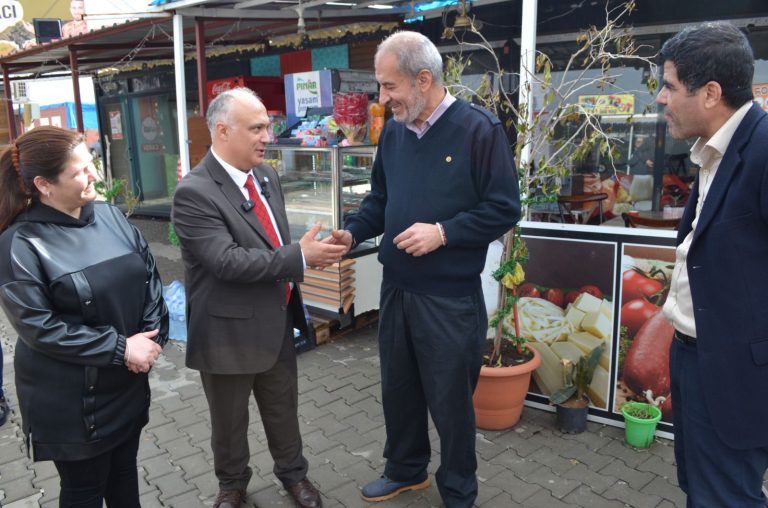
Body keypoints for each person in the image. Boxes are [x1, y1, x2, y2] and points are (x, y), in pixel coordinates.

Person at [329, 31, 520, 507]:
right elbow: (380, 198)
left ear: (423, 79)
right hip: (397, 288)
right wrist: (352, 232)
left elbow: (504, 208)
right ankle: (406, 470)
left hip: (449, 298)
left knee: (451, 402)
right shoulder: (393, 130)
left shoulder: (479, 130)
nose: (382, 98)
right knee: (399, 389)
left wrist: (444, 232)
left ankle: (458, 489)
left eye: (389, 86)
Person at [171, 88, 346, 508]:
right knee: (229, 422)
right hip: (226, 331)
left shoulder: (265, 176)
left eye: (267, 126)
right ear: (222, 130)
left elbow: (272, 246)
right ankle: (232, 485)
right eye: (257, 128)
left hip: (276, 319)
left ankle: (294, 476)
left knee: (283, 409)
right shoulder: (194, 192)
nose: (267, 136)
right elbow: (226, 261)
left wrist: (304, 253)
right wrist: (299, 257)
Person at [0, 126, 168, 506]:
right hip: (72, 401)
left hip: (126, 383)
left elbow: (149, 277)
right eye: (80, 171)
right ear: (44, 184)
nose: (95, 175)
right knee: (84, 491)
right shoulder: (20, 244)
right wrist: (123, 348)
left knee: (125, 473)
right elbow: (39, 328)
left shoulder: (110, 216)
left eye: (91, 163)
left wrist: (151, 337)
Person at [657, 22, 768, 507]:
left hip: (733, 375)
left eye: (669, 86)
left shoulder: (763, 152)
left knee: (725, 498)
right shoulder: (713, 153)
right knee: (703, 489)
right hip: (694, 360)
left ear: (711, 93)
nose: (661, 99)